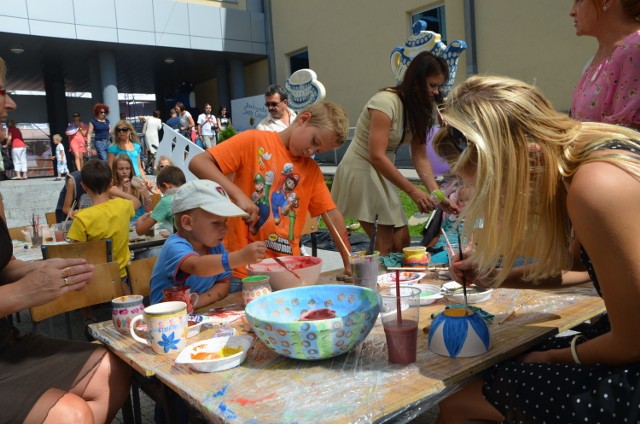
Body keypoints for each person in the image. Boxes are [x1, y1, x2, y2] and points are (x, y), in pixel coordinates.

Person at [433, 75, 640, 423]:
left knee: (459, 404)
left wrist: (551, 359)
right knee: (509, 365)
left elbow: (632, 343)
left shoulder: (597, 186)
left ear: (509, 163)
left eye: (481, 185)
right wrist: (497, 277)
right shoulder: (586, 157)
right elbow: (579, 268)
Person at [0, 56, 131, 424]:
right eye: (2, 93)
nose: (11, 104)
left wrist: (44, 267)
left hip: (6, 342)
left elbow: (4, 265)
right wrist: (23, 294)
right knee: (70, 414)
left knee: (117, 367)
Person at [189, 101, 353, 292]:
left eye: (318, 150)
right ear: (303, 119)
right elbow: (199, 163)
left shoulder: (311, 169)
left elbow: (331, 214)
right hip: (241, 272)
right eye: (314, 142)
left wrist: (349, 259)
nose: (311, 151)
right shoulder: (253, 140)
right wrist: (238, 195)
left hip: (286, 271)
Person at [331, 51, 457, 256]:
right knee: (387, 244)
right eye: (432, 85)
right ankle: (376, 283)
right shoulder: (384, 102)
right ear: (416, 82)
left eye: (438, 86)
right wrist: (413, 191)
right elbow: (376, 155)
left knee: (402, 242)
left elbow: (420, 156)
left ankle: (389, 282)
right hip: (361, 167)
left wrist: (437, 195)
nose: (436, 92)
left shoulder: (421, 109)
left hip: (382, 170)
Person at [149, 179, 266, 308]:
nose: (225, 229)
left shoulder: (215, 246)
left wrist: (194, 302)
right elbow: (197, 266)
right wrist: (240, 257)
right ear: (187, 223)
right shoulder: (174, 246)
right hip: (163, 320)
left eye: (225, 221)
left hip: (194, 313)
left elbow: (223, 284)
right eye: (216, 223)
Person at [68, 159, 134, 297]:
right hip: (120, 274)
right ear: (111, 182)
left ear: (84, 186)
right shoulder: (124, 206)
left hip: (92, 278)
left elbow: (76, 252)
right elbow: (136, 202)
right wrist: (118, 192)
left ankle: (88, 315)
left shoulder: (82, 218)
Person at [570, 0, 640, 129]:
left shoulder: (635, 48)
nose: (571, 12)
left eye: (579, 1)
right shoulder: (595, 60)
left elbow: (628, 133)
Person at [135, 165, 186, 235]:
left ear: (166, 186)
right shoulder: (189, 195)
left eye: (160, 189)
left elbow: (140, 231)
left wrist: (139, 220)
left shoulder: (167, 201)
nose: (162, 193)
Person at [110, 153, 151, 223]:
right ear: (115, 170)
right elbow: (124, 210)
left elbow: (147, 210)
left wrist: (147, 196)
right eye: (120, 169)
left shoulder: (137, 184)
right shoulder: (113, 188)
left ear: (131, 169)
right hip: (123, 224)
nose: (124, 172)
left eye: (127, 168)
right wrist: (125, 191)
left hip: (140, 223)